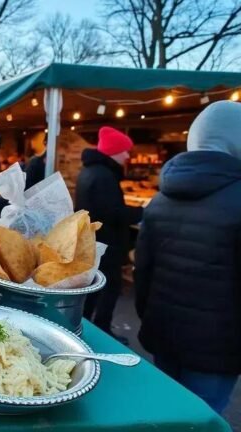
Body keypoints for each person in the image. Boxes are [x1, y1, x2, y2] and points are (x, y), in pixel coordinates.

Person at [135, 102, 241, 414]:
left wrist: (151, 318)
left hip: (163, 334)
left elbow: (143, 272)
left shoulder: (159, 199)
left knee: (167, 413)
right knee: (201, 419)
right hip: (218, 348)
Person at [75, 126, 141, 341]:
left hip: (94, 241)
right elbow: (114, 213)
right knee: (109, 288)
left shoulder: (89, 171)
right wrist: (142, 212)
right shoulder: (104, 175)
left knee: (93, 287)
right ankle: (103, 332)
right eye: (125, 150)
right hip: (107, 244)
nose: (128, 155)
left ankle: (84, 327)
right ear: (114, 151)